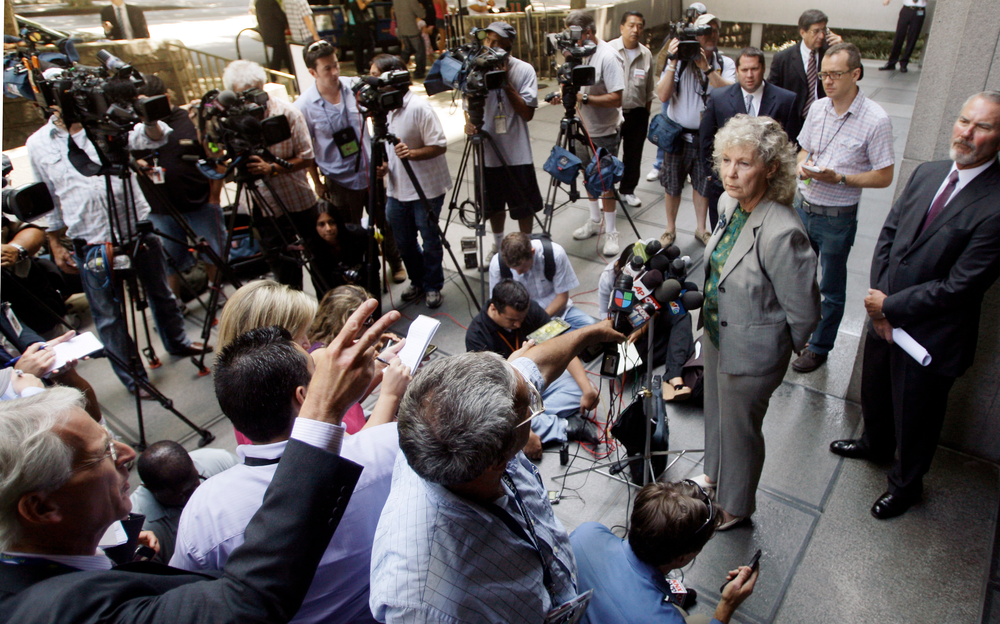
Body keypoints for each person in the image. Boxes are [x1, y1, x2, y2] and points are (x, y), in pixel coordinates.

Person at [0, 298, 400, 624]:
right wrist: (322, 414)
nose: (126, 455)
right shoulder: (63, 610)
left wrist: (110, 549)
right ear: (40, 506)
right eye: (102, 453)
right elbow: (247, 601)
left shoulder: (203, 511)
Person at [370, 319, 626, 623]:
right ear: (498, 459)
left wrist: (590, 332)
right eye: (531, 408)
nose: (533, 400)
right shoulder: (423, 603)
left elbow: (536, 366)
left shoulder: (448, 430)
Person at [831, 92, 1000, 520]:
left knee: (917, 417)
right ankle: (873, 445)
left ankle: (906, 485)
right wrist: (878, 306)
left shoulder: (996, 204)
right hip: (883, 314)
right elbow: (888, 236)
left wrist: (892, 308)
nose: (967, 133)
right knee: (876, 391)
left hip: (931, 335)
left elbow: (961, 286)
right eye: (964, 120)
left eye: (982, 127)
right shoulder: (928, 172)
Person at [173, 325, 406, 623]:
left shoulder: (204, 511)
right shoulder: (385, 448)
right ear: (303, 396)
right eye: (316, 370)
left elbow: (185, 596)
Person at [27, 102, 208, 395]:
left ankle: (178, 342)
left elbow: (155, 136)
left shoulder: (107, 126)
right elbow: (48, 198)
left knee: (161, 292)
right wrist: (53, 242)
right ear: (46, 101)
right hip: (91, 241)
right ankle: (134, 378)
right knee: (109, 316)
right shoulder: (37, 144)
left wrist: (146, 115)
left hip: (136, 229)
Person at [698, 115, 820, 529]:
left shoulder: (783, 231)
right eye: (726, 160)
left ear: (770, 168)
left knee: (741, 432)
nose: (730, 174)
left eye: (744, 163)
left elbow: (804, 312)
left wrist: (778, 347)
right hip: (719, 334)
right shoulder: (729, 203)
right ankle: (714, 477)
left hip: (752, 350)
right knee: (716, 415)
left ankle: (735, 506)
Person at [791, 43, 895, 374]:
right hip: (802, 205)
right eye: (823, 74)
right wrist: (802, 166)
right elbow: (802, 150)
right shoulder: (819, 107)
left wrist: (840, 178)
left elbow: (884, 176)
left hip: (836, 219)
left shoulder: (876, 120)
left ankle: (819, 347)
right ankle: (792, 332)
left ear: (856, 74)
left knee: (831, 289)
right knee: (793, 275)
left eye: (835, 74)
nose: (827, 81)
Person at [296, 41, 404, 290]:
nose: (334, 72)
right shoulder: (304, 106)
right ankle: (357, 273)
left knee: (384, 221)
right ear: (312, 72)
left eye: (335, 65)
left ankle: (395, 262)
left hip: (370, 171)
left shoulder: (354, 88)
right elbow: (307, 148)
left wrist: (383, 159)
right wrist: (317, 182)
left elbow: (379, 123)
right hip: (338, 179)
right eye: (327, 69)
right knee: (347, 230)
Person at [572, 481, 758, 624]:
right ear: (681, 558)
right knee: (700, 620)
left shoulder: (587, 533)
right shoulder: (665, 620)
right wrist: (727, 605)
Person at [466, 279, 600, 457]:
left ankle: (535, 424)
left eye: (522, 319)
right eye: (512, 320)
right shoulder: (476, 336)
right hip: (510, 396)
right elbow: (490, 395)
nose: (519, 325)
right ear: (493, 309)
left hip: (541, 377)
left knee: (581, 389)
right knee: (497, 422)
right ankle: (564, 427)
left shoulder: (531, 310)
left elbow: (563, 349)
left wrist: (587, 390)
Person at [223, 60, 320, 291]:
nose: (247, 101)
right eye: (240, 96)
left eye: (252, 93)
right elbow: (219, 163)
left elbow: (307, 157)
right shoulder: (231, 121)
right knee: (284, 276)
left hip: (297, 203)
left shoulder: (287, 113)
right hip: (262, 209)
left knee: (318, 262)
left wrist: (271, 169)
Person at [132, 74, 225, 300]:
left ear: (165, 97)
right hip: (159, 209)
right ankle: (173, 306)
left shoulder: (190, 121)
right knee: (167, 260)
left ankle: (217, 295)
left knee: (212, 252)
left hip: (199, 202)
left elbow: (217, 157)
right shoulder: (136, 129)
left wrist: (214, 196)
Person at [372, 54, 452, 308]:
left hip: (426, 188)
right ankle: (417, 280)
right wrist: (383, 166)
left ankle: (432, 285)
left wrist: (412, 153)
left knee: (429, 239)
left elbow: (439, 145)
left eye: (376, 74)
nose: (371, 80)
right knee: (404, 241)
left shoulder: (418, 108)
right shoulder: (382, 108)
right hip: (397, 189)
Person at [463, 22, 543, 260]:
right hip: (487, 151)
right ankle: (498, 247)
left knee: (523, 205)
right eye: (489, 40)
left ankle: (524, 245)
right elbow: (468, 105)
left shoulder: (524, 69)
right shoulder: (474, 68)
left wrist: (505, 80)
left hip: (517, 152)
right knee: (493, 205)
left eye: (498, 42)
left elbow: (527, 113)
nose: (492, 46)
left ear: (509, 45)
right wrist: (468, 123)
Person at [656, 12, 736, 247]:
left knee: (703, 184)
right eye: (705, 31)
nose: (711, 36)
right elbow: (662, 95)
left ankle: (701, 228)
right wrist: (672, 61)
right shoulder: (678, 61)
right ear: (694, 35)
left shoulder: (724, 63)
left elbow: (730, 95)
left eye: (715, 31)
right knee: (672, 185)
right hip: (677, 136)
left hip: (707, 138)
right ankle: (670, 228)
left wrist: (708, 69)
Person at [699, 47, 798, 229]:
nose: (749, 75)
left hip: (766, 191)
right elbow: (706, 140)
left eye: (754, 69)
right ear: (737, 71)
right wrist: (713, 175)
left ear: (764, 68)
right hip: (724, 187)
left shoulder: (786, 100)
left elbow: (789, 148)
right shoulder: (719, 97)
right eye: (744, 70)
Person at [552, 11, 625, 257]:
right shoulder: (576, 53)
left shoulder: (607, 56)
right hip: (582, 126)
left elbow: (617, 98)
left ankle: (612, 232)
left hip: (603, 131)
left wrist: (584, 97)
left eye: (574, 34)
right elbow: (569, 82)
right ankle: (595, 221)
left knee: (604, 182)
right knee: (586, 176)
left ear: (588, 32)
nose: (571, 40)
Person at [596, 248, 695, 400]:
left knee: (681, 315)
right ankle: (676, 352)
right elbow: (605, 317)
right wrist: (631, 328)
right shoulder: (608, 277)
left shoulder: (653, 273)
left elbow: (657, 305)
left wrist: (643, 328)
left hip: (649, 323)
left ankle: (674, 377)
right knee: (679, 340)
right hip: (627, 332)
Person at [129, 441, 237, 563]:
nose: (196, 493)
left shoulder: (219, 461)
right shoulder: (141, 530)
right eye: (184, 494)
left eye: (197, 481)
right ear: (150, 489)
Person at [488, 232, 595, 331]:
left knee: (590, 326)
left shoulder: (555, 253)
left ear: (532, 252)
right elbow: (498, 304)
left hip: (558, 312)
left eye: (522, 268)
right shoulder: (497, 265)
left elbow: (562, 297)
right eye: (514, 269)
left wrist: (540, 321)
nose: (519, 273)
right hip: (521, 320)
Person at [767, 9, 843, 138]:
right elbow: (771, 91)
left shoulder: (831, 53)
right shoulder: (783, 58)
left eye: (824, 30)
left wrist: (842, 49)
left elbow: (858, 73)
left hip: (826, 119)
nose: (822, 36)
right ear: (803, 32)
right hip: (793, 122)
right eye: (816, 31)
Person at [610, 12, 656, 209]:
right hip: (612, 112)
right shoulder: (609, 50)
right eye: (631, 25)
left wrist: (645, 114)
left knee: (633, 154)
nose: (635, 30)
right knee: (609, 153)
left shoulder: (646, 55)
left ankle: (628, 190)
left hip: (637, 114)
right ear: (622, 27)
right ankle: (608, 191)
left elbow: (649, 90)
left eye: (639, 26)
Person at [879, 0, 926, 73]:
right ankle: (891, 62)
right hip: (906, 9)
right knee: (899, 35)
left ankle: (904, 63)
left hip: (919, 11)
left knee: (912, 37)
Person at [393, 0, 427, 79]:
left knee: (407, 50)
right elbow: (421, 14)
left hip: (402, 29)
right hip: (412, 29)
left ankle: (398, 68)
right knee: (420, 51)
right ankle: (419, 72)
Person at [347, 0, 378, 73]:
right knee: (370, 44)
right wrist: (367, 1)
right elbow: (361, 7)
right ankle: (368, 64)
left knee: (358, 48)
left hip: (353, 24)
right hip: (361, 24)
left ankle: (360, 68)